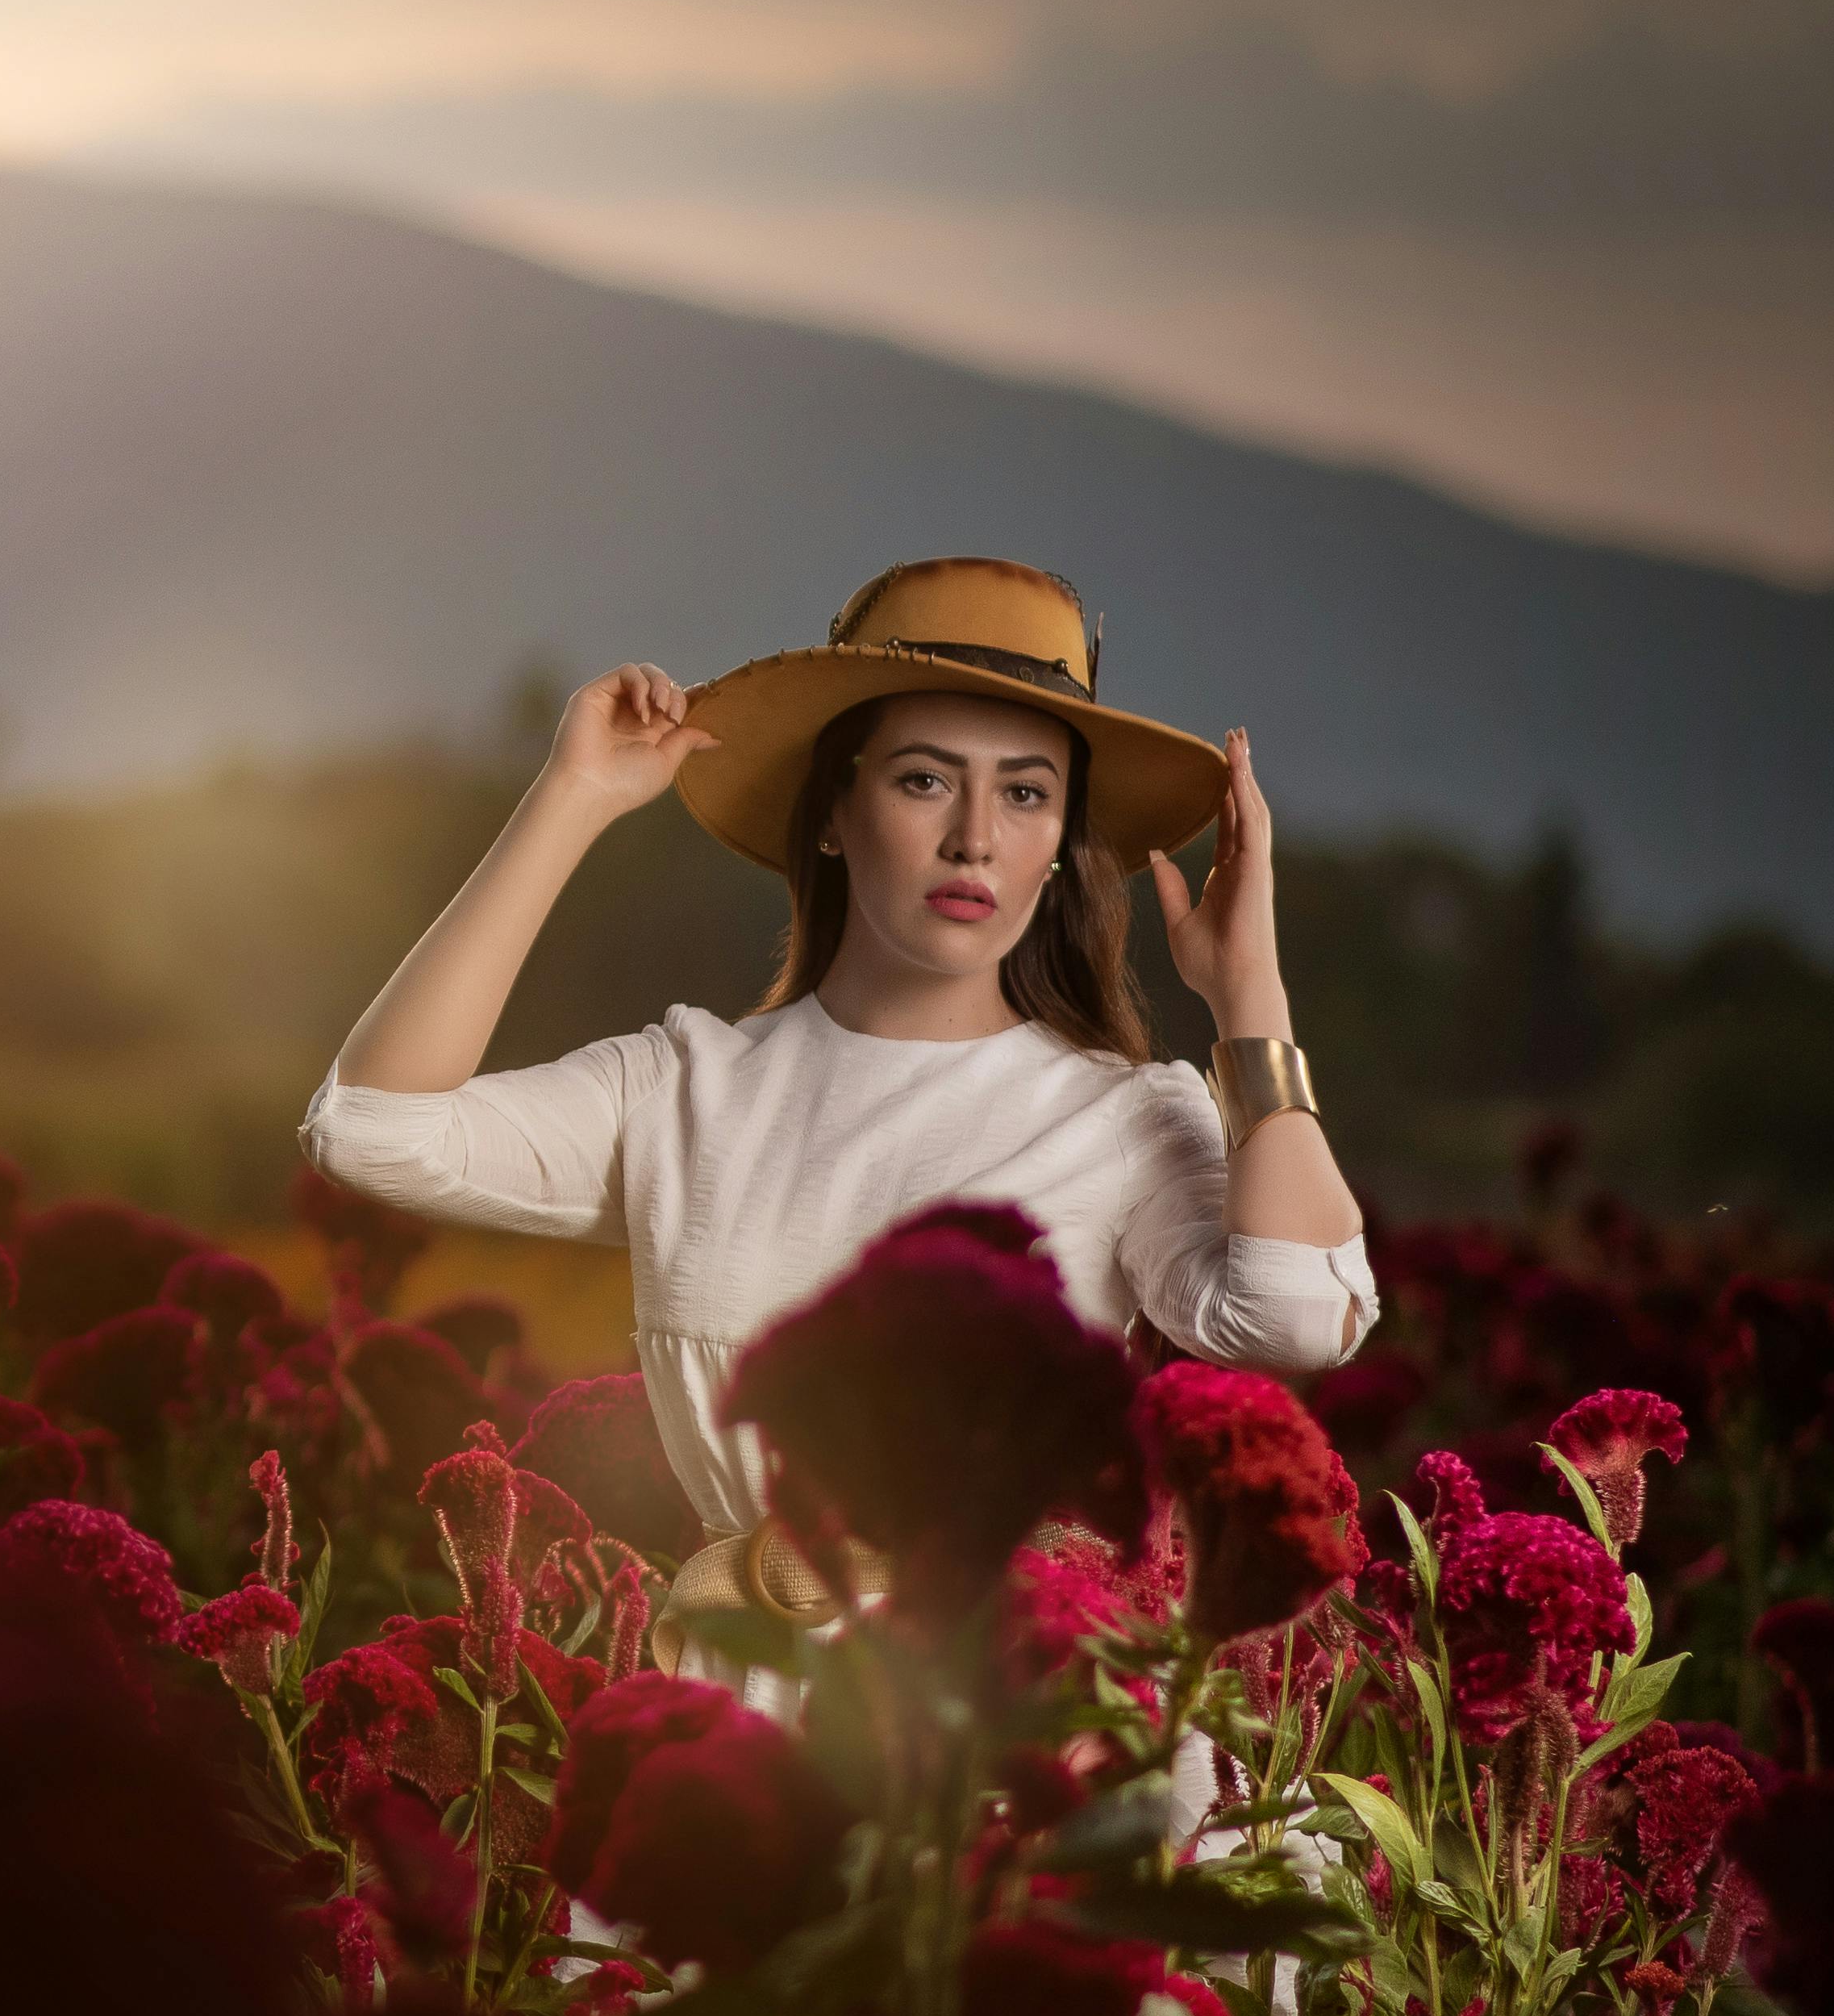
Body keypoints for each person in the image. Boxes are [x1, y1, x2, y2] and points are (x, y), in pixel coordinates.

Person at [303, 554, 1370, 1636]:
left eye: (1025, 792)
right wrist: (568, 801)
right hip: (746, 1725)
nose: (974, 835)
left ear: (1057, 847)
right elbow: (371, 1132)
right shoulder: (684, 1087)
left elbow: (1295, 1316)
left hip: (1021, 1728)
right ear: (830, 813)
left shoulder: (1125, 1114)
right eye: (922, 778)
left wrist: (1250, 994)